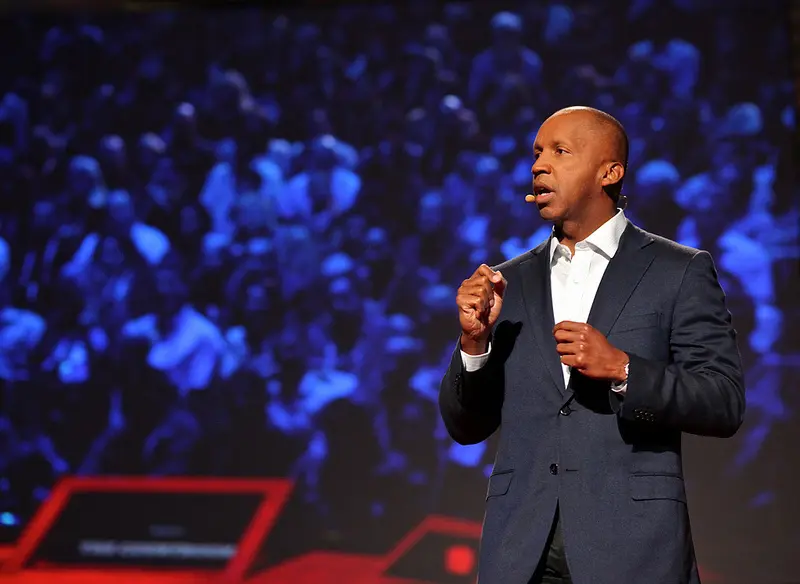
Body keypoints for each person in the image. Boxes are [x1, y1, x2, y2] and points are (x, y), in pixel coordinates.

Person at [439, 106, 745, 584]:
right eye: (537, 153)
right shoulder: (508, 282)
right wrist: (474, 343)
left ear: (610, 171)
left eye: (560, 152)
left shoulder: (677, 270)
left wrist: (625, 369)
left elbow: (723, 402)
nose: (540, 165)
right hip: (521, 553)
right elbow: (466, 425)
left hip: (633, 551)